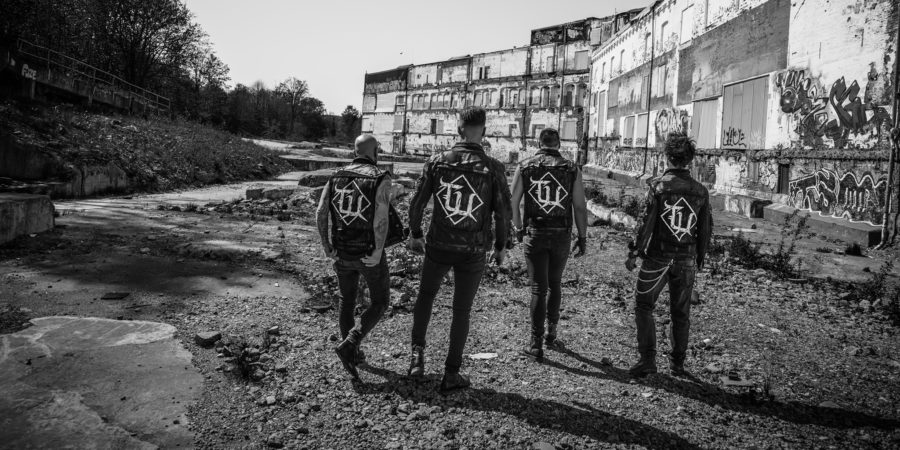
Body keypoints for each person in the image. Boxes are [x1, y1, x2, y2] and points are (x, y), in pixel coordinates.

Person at [406, 106, 512, 392]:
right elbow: (503, 213)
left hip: (439, 243)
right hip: (473, 249)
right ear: (484, 131)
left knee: (426, 297)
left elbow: (417, 202)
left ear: (458, 128)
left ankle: (417, 358)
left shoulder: (437, 161)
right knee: (461, 310)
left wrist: (415, 234)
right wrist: (500, 246)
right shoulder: (493, 168)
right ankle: (451, 374)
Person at [625, 132, 711, 377]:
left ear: (667, 156)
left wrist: (634, 252)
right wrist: (699, 258)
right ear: (690, 160)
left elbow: (646, 223)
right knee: (681, 313)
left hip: (657, 258)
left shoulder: (658, 186)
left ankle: (648, 360)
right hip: (686, 260)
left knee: (644, 305)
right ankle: (677, 363)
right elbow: (705, 230)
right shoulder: (701, 191)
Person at [315, 134, 393, 379]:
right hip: (367, 251)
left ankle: (352, 353)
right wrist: (377, 251)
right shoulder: (380, 177)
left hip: (341, 250)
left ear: (354, 151)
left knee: (346, 299)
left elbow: (321, 211)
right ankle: (351, 343)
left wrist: (326, 244)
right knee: (380, 302)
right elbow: (381, 218)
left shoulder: (336, 175)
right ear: (375, 152)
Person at [510, 128, 587, 361]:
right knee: (555, 283)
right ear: (559, 144)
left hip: (535, 231)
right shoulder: (572, 169)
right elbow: (579, 206)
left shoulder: (525, 166)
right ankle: (551, 333)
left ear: (538, 142)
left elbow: (513, 201)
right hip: (561, 234)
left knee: (538, 288)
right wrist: (582, 236)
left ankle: (535, 344)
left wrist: (518, 228)